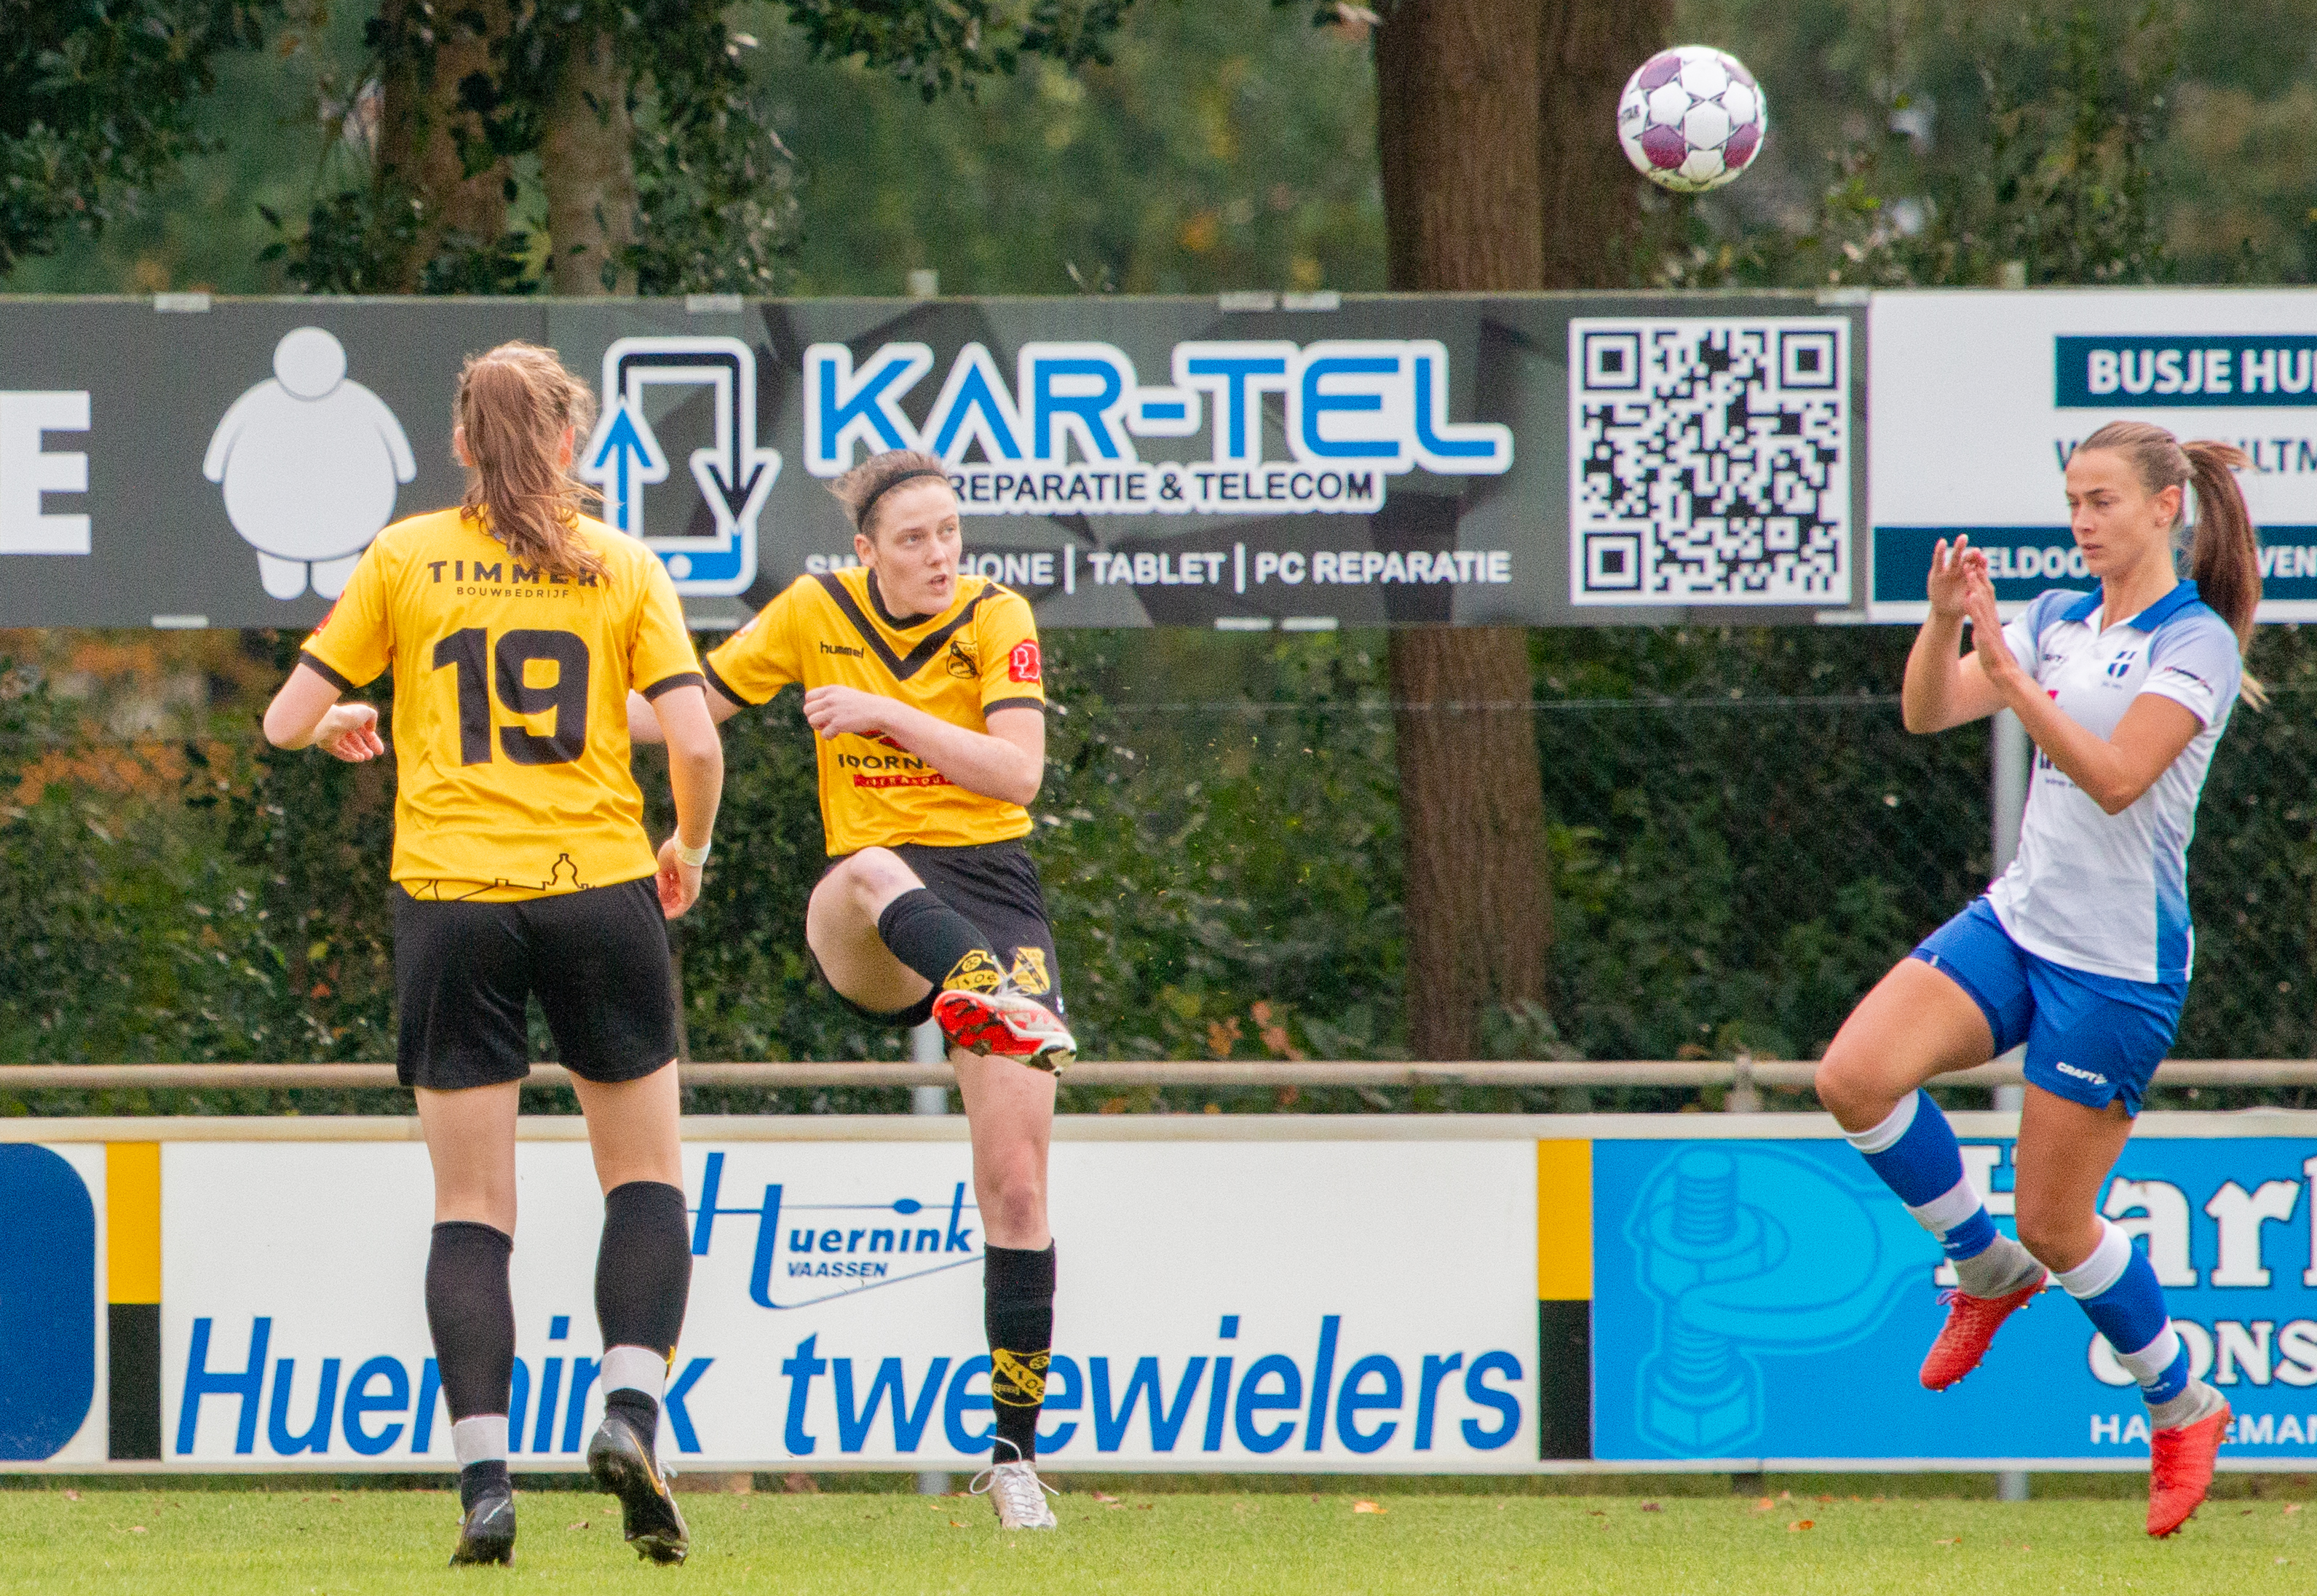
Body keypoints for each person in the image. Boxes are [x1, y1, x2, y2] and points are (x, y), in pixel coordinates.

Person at [262, 341, 723, 1567]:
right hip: (599, 890)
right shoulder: (620, 560)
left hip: (454, 900)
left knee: (472, 1208)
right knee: (647, 1179)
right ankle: (629, 1404)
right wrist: (686, 841)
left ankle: (486, 1485)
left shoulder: (409, 554)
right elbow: (696, 737)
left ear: (460, 444)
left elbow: (285, 717)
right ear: (572, 441)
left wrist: (347, 718)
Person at [1815, 421, 2262, 1539]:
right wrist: (1941, 626)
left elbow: (2115, 778)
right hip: (2021, 922)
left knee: (2062, 1223)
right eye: (2072, 499)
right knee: (1855, 1076)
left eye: (2102, 499)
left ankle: (2183, 1400)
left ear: (2166, 508)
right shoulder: (2061, 617)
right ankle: (1981, 1264)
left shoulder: (2196, 643)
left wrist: (2012, 678)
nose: (2082, 520)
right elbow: (1928, 710)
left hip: (2116, 969)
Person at [629, 447, 1072, 1529]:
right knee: (871, 868)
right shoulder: (810, 609)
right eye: (914, 538)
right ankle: (978, 984)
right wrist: (548, 683)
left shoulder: (996, 614)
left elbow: (1018, 771)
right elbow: (674, 716)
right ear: (865, 551)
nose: (939, 554)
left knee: (1016, 1187)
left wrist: (887, 715)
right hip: (876, 910)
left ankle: (1013, 1461)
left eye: (950, 533)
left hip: (994, 886)